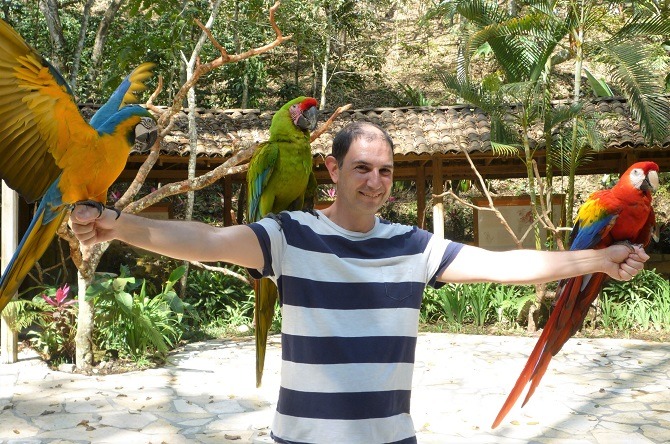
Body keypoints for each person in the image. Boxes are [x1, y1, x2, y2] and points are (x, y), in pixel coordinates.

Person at [69, 121, 649, 444]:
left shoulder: (413, 246)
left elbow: (508, 265)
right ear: (332, 169)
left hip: (391, 441)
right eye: (361, 169)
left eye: (385, 171)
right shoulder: (289, 235)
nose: (375, 182)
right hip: (304, 440)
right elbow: (204, 240)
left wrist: (594, 262)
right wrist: (119, 226)